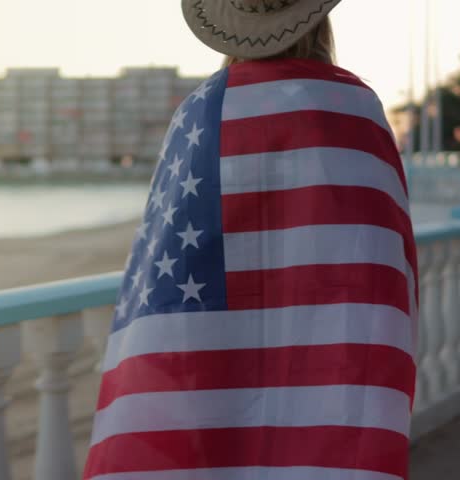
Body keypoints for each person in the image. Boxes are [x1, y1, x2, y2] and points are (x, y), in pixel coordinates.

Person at [83, 1, 419, 479]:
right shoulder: (353, 106)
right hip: (331, 364)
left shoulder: (197, 112)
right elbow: (385, 257)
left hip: (206, 374)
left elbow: (160, 265)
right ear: (318, 20)